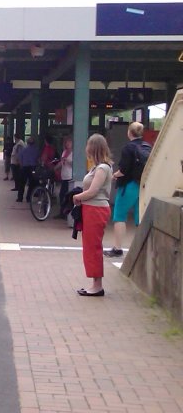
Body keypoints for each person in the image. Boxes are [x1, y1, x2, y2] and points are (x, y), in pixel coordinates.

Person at [72, 134, 113, 296]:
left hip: (96, 210)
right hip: (91, 209)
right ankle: (95, 283)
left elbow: (94, 191)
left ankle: (97, 286)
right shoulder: (98, 167)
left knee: (93, 247)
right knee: (90, 247)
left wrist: (77, 197)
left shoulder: (102, 168)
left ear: (93, 148)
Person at [105, 121, 151, 258]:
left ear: (129, 133)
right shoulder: (148, 146)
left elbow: (124, 170)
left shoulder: (128, 148)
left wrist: (114, 175)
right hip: (142, 186)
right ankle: (142, 248)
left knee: (119, 215)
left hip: (128, 185)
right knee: (139, 217)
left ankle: (117, 248)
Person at [16, 135, 39, 203]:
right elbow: (38, 159)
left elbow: (19, 159)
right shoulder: (36, 150)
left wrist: (21, 166)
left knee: (22, 183)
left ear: (27, 142)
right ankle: (28, 198)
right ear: (34, 143)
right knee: (32, 184)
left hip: (24, 168)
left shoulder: (23, 150)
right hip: (33, 168)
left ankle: (20, 198)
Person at [56, 136, 73, 216]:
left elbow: (75, 165)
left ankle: (65, 213)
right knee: (61, 195)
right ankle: (62, 212)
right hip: (64, 175)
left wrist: (67, 161)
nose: (67, 144)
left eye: (69, 142)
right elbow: (61, 162)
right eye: (66, 142)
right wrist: (55, 168)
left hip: (70, 176)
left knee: (66, 195)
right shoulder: (64, 152)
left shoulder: (73, 153)